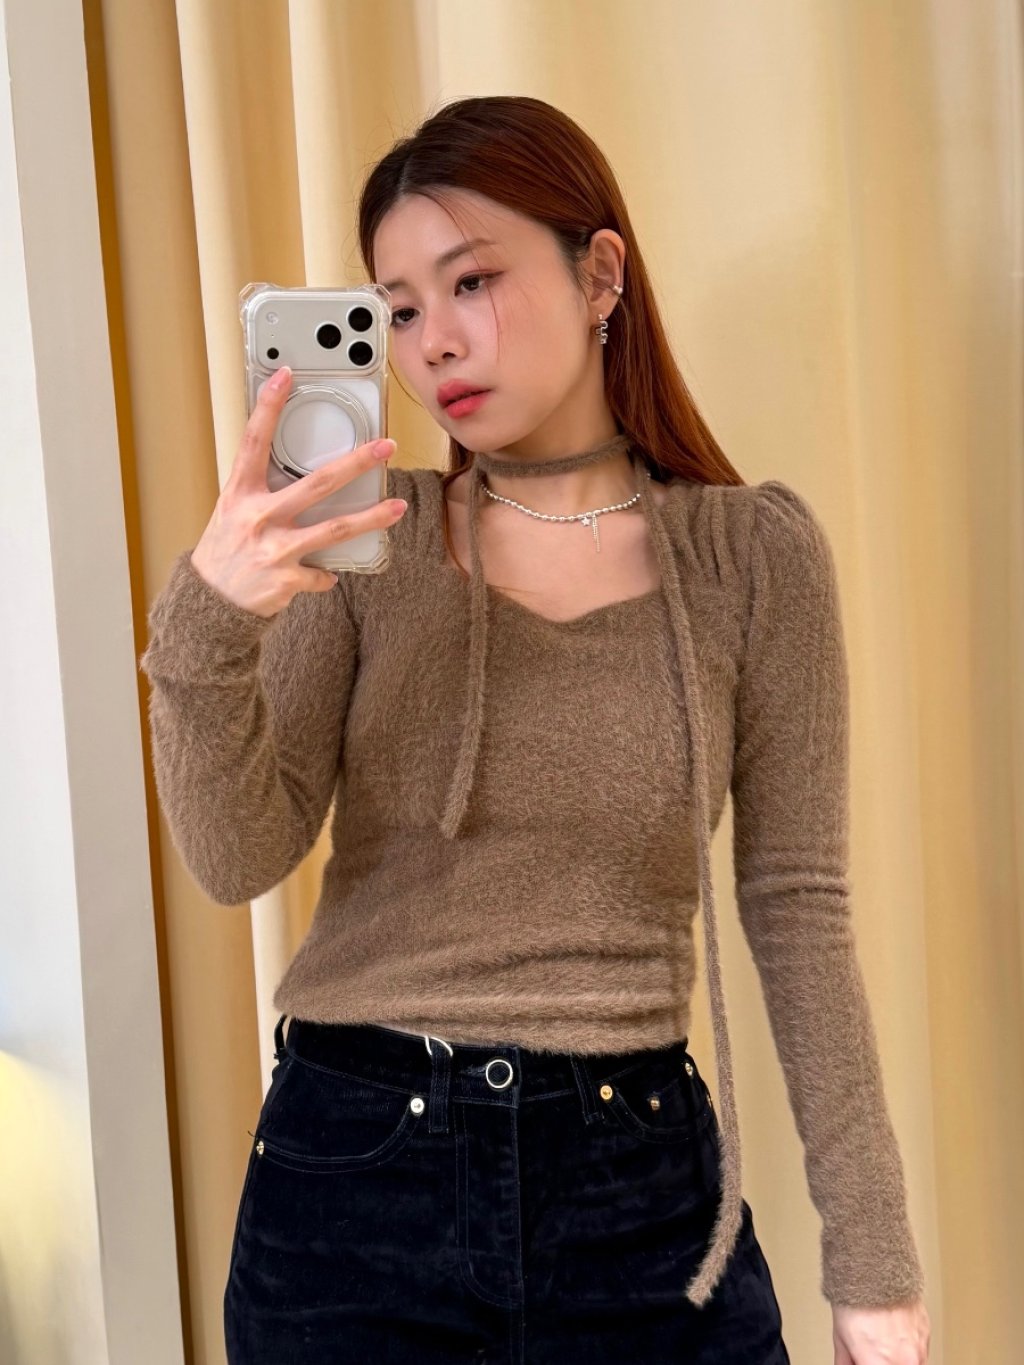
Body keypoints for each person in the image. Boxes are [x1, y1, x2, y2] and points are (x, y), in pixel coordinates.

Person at [139, 95, 930, 1363]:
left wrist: (873, 1254)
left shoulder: (751, 558)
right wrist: (211, 619)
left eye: (473, 282)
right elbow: (237, 859)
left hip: (643, 1189)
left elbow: (797, 905)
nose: (435, 343)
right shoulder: (368, 547)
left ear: (599, 273)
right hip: (355, 1181)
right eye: (399, 310)